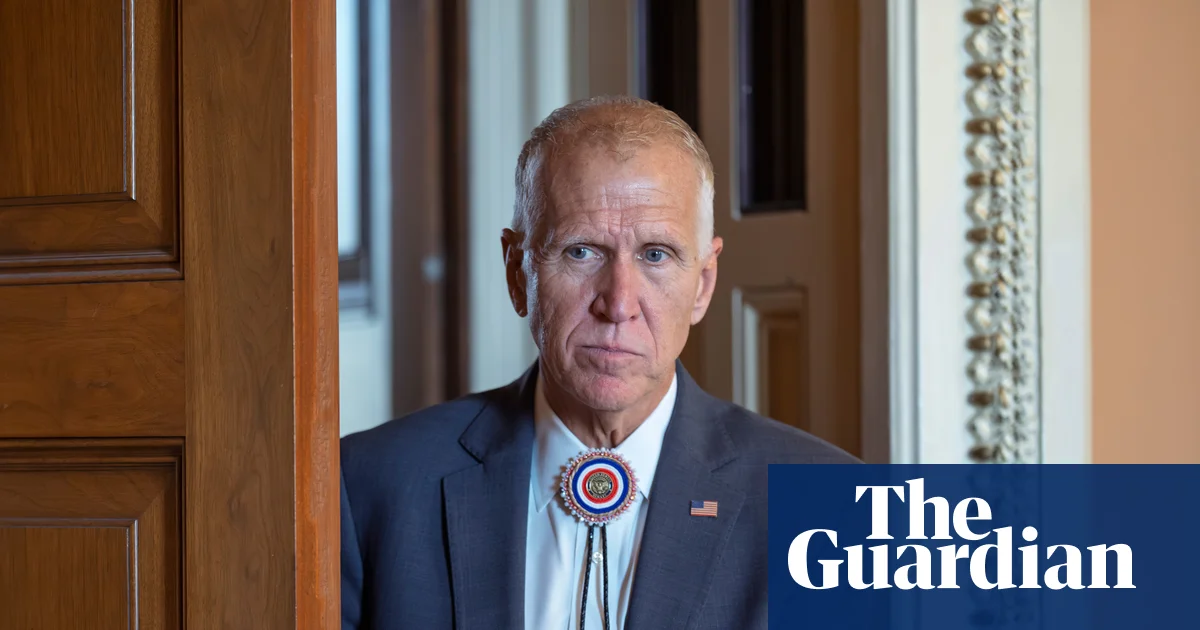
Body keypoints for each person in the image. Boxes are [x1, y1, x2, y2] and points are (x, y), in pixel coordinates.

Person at [340, 95, 857, 630]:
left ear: (703, 284)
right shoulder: (368, 486)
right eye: (581, 251)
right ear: (518, 273)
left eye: (656, 254)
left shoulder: (834, 508)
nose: (618, 303)